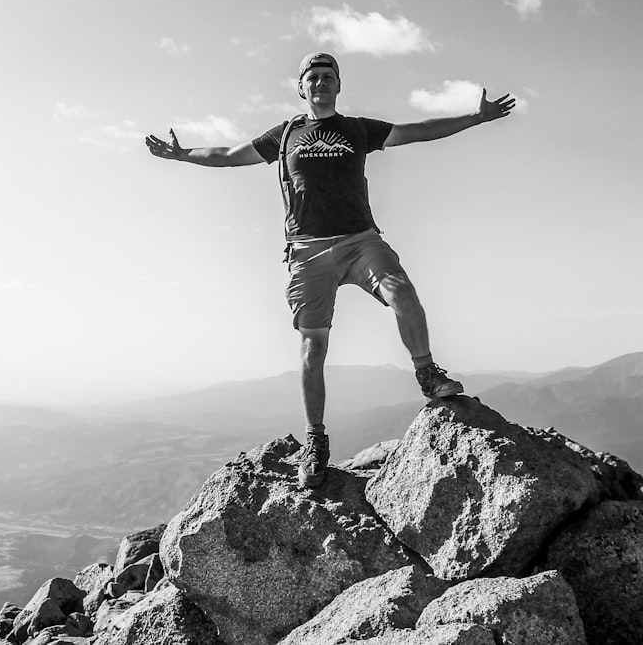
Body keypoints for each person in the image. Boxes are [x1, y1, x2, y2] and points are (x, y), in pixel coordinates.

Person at [146, 52, 514, 488]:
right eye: (312, 78)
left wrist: (476, 118)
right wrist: (183, 154)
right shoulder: (285, 136)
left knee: (403, 292)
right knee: (312, 348)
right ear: (301, 87)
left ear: (338, 86)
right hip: (307, 251)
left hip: (361, 240)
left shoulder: (357, 129)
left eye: (328, 77)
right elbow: (228, 154)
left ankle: (428, 374)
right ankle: (315, 441)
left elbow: (417, 132)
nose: (320, 83)